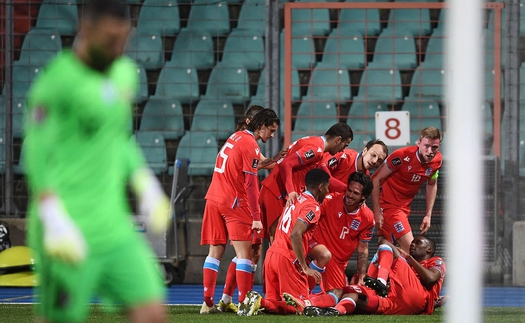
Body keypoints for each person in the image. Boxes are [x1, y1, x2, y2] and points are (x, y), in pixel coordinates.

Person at [24, 1, 170, 322]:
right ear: (85, 30)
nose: (117, 49)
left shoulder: (123, 74)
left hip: (112, 225)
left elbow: (118, 139)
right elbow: (36, 153)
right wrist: (51, 213)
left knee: (151, 310)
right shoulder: (56, 82)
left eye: (123, 40)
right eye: (109, 41)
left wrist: (145, 184)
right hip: (66, 227)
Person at [200, 109, 280, 314]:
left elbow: (255, 163)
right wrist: (256, 217)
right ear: (260, 125)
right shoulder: (250, 144)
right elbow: (252, 184)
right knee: (245, 255)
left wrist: (278, 159)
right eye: (270, 130)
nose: (271, 135)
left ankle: (207, 304)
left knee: (214, 252)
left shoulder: (235, 137)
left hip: (213, 198)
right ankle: (245, 304)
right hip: (233, 202)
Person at [238, 169, 331, 316]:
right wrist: (304, 267)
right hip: (287, 258)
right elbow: (295, 234)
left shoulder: (294, 200)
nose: (327, 191)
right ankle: (260, 301)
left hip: (272, 254)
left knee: (274, 307)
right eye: (327, 187)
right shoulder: (312, 206)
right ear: (321, 186)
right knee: (300, 308)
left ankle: (259, 302)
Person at [304, 235, 446, 316]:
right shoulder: (405, 267)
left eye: (418, 242)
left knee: (385, 243)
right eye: (413, 242)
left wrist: (408, 257)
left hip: (415, 295)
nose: (412, 244)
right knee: (349, 293)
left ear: (429, 249)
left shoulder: (436, 261)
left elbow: (431, 278)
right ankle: (322, 308)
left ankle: (380, 283)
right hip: (396, 299)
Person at [260, 122, 354, 242]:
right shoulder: (316, 149)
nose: (343, 150)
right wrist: (291, 191)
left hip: (274, 190)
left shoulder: (316, 145)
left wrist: (349, 190)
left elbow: (328, 179)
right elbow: (286, 164)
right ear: (338, 140)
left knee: (260, 248)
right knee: (278, 242)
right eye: (345, 145)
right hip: (277, 193)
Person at [304, 172, 375, 309]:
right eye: (349, 190)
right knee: (323, 255)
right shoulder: (329, 200)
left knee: (337, 294)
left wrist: (361, 276)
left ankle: (309, 302)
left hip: (337, 263)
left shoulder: (368, 218)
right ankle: (302, 293)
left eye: (355, 193)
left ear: (363, 197)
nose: (350, 195)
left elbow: (363, 248)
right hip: (316, 247)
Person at [371, 127, 442, 252]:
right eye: (426, 146)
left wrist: (428, 215)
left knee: (384, 247)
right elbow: (375, 179)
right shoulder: (401, 156)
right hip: (389, 206)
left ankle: (379, 272)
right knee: (412, 250)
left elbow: (431, 184)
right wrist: (377, 212)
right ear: (418, 143)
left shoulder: (437, 161)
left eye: (434, 147)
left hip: (404, 207)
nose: (430, 151)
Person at [318, 139, 388, 193]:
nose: (374, 161)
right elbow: (322, 172)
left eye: (379, 160)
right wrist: (349, 190)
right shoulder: (343, 155)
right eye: (373, 155)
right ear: (364, 151)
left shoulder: (366, 176)